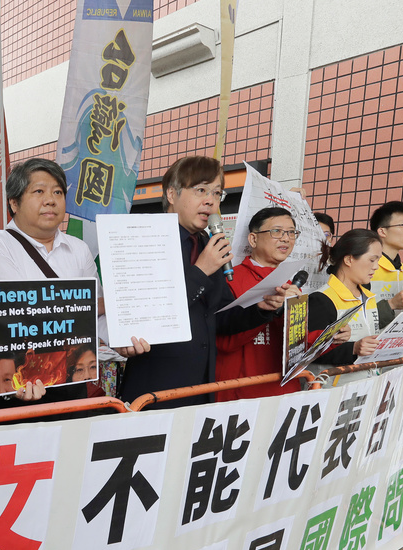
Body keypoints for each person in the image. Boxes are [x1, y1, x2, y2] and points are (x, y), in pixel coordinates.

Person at [118, 156, 290, 408]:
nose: (211, 200)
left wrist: (262, 310)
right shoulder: (142, 237)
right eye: (200, 190)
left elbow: (220, 317)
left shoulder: (206, 246)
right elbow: (143, 315)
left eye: (217, 192)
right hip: (154, 387)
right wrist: (201, 271)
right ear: (172, 194)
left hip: (202, 387)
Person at [0, 158, 104, 406]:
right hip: (20, 383)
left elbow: (96, 316)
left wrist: (121, 340)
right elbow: (25, 311)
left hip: (71, 382)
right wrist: (92, 306)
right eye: (39, 191)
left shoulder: (79, 249)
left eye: (58, 192)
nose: (51, 200)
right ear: (14, 202)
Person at [216, 207, 303, 401]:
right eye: (277, 231)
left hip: (285, 390)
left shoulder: (291, 286)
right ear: (253, 239)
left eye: (291, 232)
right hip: (242, 391)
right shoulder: (230, 278)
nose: (286, 238)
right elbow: (223, 341)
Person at [307, 229, 383, 382]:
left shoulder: (368, 296)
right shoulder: (321, 299)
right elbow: (309, 352)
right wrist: (353, 349)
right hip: (333, 391)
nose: (376, 267)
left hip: (368, 384)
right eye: (372, 260)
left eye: (378, 261)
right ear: (349, 260)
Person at [369, 201, 403, 326]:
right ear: (382, 231)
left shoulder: (402, 269)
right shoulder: (367, 266)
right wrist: (391, 304)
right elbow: (355, 317)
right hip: (368, 344)